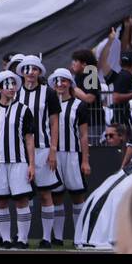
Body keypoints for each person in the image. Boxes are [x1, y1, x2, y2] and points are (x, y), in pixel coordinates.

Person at [0, 70, 36, 249]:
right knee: (0, 201)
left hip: (18, 161)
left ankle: (22, 239)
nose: (12, 88)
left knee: (21, 200)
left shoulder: (23, 110)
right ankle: (5, 239)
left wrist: (32, 164)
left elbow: (29, 139)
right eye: (7, 85)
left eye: (14, 84)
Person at [16, 57, 60, 247]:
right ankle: (21, 238)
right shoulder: (15, 92)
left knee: (45, 194)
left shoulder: (48, 93)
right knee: (22, 195)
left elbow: (54, 123)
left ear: (39, 72)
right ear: (22, 72)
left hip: (42, 148)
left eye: (34, 69)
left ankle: (47, 238)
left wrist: (53, 150)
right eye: (27, 69)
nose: (31, 72)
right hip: (19, 150)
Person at [49, 68, 91, 247]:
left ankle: (79, 237)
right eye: (57, 81)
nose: (60, 84)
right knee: (56, 196)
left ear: (70, 83)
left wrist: (85, 161)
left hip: (73, 155)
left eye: (64, 81)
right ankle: (57, 238)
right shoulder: (48, 105)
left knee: (77, 197)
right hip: (54, 155)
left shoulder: (78, 105)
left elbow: (83, 135)